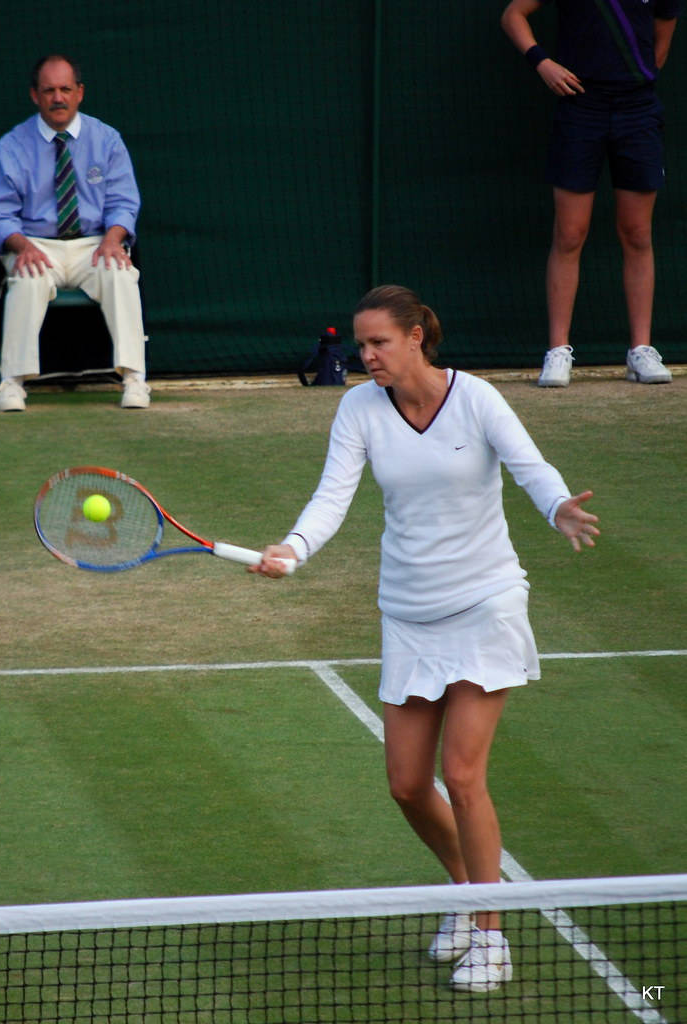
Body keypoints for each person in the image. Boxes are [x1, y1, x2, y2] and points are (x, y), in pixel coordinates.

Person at [251, 285, 599, 992]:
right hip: (408, 612)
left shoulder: (476, 400)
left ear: (417, 337)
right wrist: (294, 547)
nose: (365, 355)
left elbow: (528, 465)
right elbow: (332, 494)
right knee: (409, 785)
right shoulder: (358, 409)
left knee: (463, 776)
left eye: (378, 342)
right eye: (361, 344)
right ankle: (467, 894)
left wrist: (557, 503)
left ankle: (491, 935)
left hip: (485, 602)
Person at [500, 0, 680, 388]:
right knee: (569, 233)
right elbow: (513, 14)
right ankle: (558, 351)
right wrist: (542, 62)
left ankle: (641, 350)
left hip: (639, 112)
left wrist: (632, 83)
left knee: (637, 233)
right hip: (580, 108)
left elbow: (661, 45)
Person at [0, 55, 150, 411]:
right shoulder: (11, 146)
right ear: (35, 96)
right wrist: (22, 246)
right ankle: (12, 384)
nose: (58, 98)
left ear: (80, 93)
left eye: (65, 90)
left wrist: (113, 239)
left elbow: (124, 203)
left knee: (121, 273)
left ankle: (135, 379)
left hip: (94, 243)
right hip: (36, 243)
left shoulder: (107, 140)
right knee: (27, 276)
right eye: (49, 91)